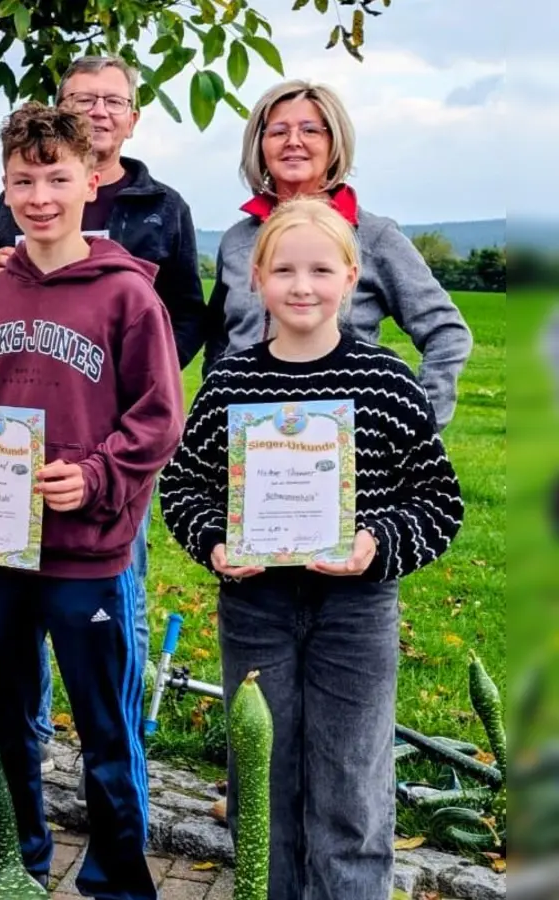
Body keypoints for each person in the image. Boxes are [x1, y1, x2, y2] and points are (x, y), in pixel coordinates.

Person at [161, 198, 464, 900]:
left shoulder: (386, 385)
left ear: (351, 276)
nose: (303, 286)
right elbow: (183, 488)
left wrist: (376, 542)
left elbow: (439, 504)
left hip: (355, 611)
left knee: (353, 783)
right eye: (285, 270)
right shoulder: (231, 386)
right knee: (264, 781)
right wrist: (213, 543)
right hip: (257, 607)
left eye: (321, 269)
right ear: (257, 281)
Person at [0, 103, 180, 900]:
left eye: (57, 178)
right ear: (3, 187)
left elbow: (158, 416)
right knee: (5, 717)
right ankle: (17, 865)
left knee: (106, 724)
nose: (40, 196)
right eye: (23, 181)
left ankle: (117, 880)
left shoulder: (127, 297)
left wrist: (98, 476)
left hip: (89, 552)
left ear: (92, 180)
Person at [0, 55, 204, 769]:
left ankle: (117, 820)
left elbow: (182, 331)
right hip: (6, 496)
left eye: (113, 100)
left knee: (107, 652)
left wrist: (121, 408)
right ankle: (19, 813)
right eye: (83, 98)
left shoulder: (157, 220)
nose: (40, 195)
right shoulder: (2, 254)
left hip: (100, 484)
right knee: (8, 668)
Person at [202, 79, 472, 431]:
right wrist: (216, 410)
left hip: (340, 445)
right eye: (278, 131)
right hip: (248, 441)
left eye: (310, 130)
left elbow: (446, 332)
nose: (293, 142)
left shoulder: (374, 237)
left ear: (334, 142)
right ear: (260, 145)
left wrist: (417, 424)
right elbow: (221, 338)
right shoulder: (238, 241)